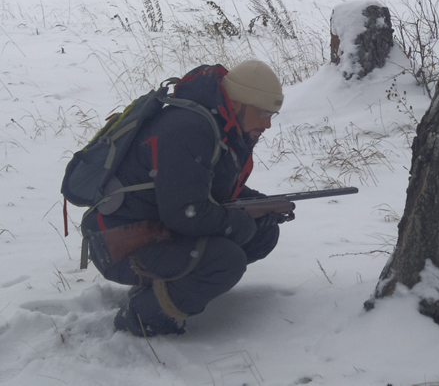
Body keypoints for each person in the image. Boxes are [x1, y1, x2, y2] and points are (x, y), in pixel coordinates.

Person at [80, 61, 287, 337]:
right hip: (119, 243)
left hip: (155, 231)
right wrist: (241, 221)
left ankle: (166, 288)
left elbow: (206, 190)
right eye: (262, 112)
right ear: (237, 103)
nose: (268, 124)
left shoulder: (216, 125)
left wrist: (261, 206)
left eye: (272, 114)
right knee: (226, 259)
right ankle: (143, 317)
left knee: (263, 233)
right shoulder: (189, 128)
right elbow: (186, 212)